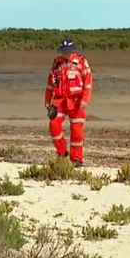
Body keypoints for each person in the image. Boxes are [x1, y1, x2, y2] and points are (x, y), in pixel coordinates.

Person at [45, 39, 93, 168]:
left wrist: (84, 100)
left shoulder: (82, 63)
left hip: (76, 100)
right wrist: (47, 100)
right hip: (59, 100)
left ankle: (77, 158)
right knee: (54, 125)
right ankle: (62, 153)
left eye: (67, 51)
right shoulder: (56, 64)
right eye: (63, 51)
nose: (65, 54)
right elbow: (50, 84)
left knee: (76, 130)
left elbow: (88, 83)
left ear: (73, 51)